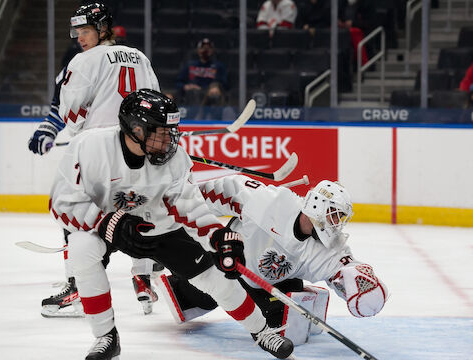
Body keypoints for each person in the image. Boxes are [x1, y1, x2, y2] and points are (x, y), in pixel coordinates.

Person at [51, 89, 294, 360]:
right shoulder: (89, 147)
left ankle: (261, 331)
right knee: (81, 248)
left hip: (160, 228)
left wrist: (217, 237)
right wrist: (108, 223)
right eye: (161, 133)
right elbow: (62, 202)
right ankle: (106, 336)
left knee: (214, 278)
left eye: (171, 132)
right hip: (105, 225)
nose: (170, 140)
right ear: (136, 130)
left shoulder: (175, 158)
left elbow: (189, 204)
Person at [28, 2, 161, 318]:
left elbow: (70, 112)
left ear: (103, 29)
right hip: (134, 150)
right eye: (77, 31)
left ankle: (77, 288)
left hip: (97, 152)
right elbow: (155, 101)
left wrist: (63, 127)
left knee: (73, 213)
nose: (79, 38)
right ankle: (143, 277)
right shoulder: (139, 57)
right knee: (137, 208)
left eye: (85, 30)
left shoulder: (84, 61)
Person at [156, 175, 389, 345]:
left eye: (340, 218)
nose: (337, 223)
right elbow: (217, 192)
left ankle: (302, 297)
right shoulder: (270, 202)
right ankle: (182, 286)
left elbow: (345, 268)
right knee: (192, 299)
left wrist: (357, 281)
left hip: (274, 285)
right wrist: (175, 210)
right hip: (233, 266)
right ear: (317, 206)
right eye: (335, 215)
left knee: (284, 328)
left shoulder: (330, 246)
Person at [175, 38, 228, 106]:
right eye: (203, 48)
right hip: (194, 95)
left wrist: (216, 87)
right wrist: (185, 86)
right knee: (192, 93)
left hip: (210, 95)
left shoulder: (219, 66)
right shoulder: (190, 65)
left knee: (214, 94)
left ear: (212, 50)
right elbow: (178, 83)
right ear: (198, 50)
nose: (205, 50)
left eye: (208, 48)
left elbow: (225, 84)